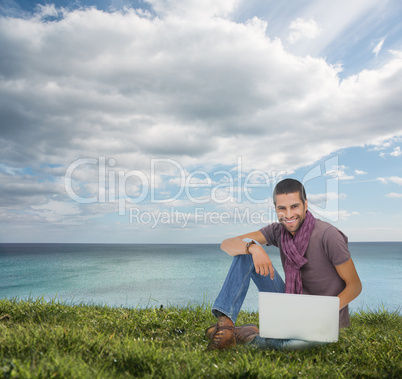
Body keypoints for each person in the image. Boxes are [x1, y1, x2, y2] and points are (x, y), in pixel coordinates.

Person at [206, 178, 362, 350]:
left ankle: (248, 335)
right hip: (290, 303)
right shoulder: (278, 231)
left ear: (305, 205)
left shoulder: (329, 236)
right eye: (282, 208)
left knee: (291, 346)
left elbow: (355, 286)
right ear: (275, 208)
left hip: (320, 315)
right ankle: (226, 325)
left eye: (294, 206)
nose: (288, 215)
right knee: (245, 250)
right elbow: (227, 244)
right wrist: (254, 248)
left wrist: (324, 312)